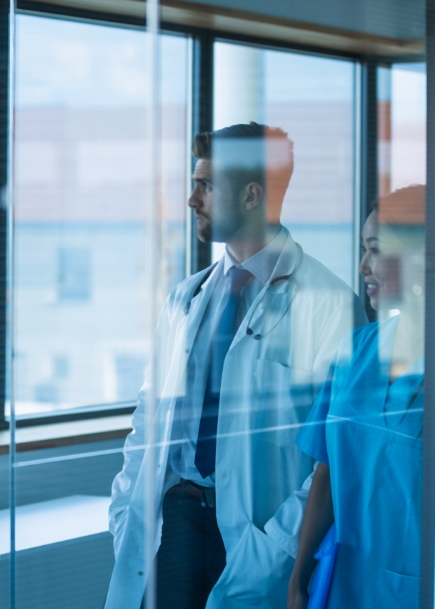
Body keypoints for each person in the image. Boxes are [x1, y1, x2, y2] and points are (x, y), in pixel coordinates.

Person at [105, 122, 367, 609]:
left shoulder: (331, 305)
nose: (191, 199)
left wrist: (280, 547)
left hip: (258, 534)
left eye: (206, 185)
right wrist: (126, 510)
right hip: (177, 522)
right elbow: (148, 420)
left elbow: (335, 454)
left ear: (251, 196)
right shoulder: (188, 297)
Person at [287, 185, 425, 609]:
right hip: (343, 583)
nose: (364, 266)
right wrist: (297, 579)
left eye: (377, 249)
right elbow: (325, 475)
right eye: (364, 249)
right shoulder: (356, 350)